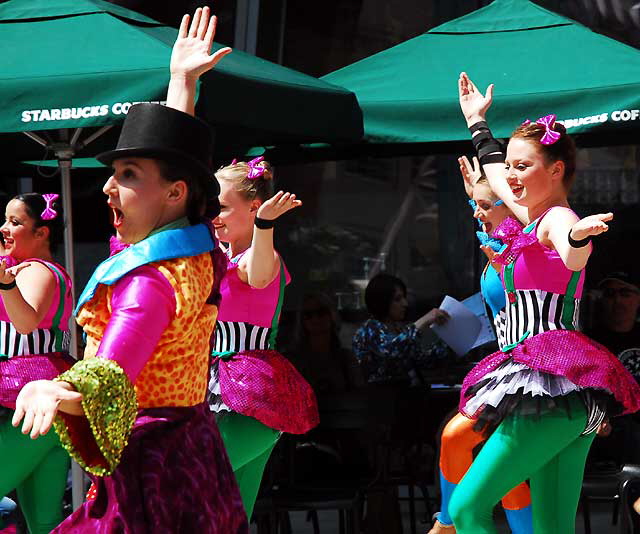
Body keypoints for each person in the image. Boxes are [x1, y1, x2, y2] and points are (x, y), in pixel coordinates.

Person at [12, 104, 248, 531]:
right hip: (193, 448)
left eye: (127, 174)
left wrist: (55, 387)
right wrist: (182, 85)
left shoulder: (149, 283)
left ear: (176, 192)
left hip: (151, 467)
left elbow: (110, 372)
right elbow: (171, 164)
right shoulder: (198, 252)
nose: (107, 187)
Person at [447, 72, 640, 534]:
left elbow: (572, 252)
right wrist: (478, 124)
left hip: (551, 389)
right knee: (553, 528)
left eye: (523, 166)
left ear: (555, 171)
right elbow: (493, 170)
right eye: (510, 166)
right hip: (554, 394)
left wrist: (578, 237)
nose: (510, 176)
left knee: (467, 510)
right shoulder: (528, 216)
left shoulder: (557, 217)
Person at [165, 7, 319, 519]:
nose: (211, 216)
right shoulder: (210, 253)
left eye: (221, 207)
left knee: (187, 498)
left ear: (254, 208)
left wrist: (267, 227)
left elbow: (256, 272)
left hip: (250, 398)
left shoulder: (263, 255)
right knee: (229, 517)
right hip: (210, 394)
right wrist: (182, 86)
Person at [430, 158, 532, 534]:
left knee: (462, 439)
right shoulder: (497, 245)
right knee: (490, 459)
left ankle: (446, 524)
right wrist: (479, 194)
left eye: (486, 206)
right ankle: (448, 523)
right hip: (508, 369)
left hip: (538, 372)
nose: (477, 213)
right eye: (475, 206)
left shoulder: (529, 244)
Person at [0, 193, 73, 534]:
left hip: (28, 402)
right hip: (41, 408)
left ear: (42, 232)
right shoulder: (17, 270)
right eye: (5, 220)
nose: (4, 228)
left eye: (16, 222)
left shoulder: (38, 270)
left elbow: (26, 323)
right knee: (45, 523)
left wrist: (5, 281)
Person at [352, 273, 449, 385]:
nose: (405, 304)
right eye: (397, 299)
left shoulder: (399, 330)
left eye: (404, 298)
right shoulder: (369, 331)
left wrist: (449, 342)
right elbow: (393, 350)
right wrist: (424, 320)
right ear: (383, 302)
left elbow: (423, 361)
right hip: (383, 397)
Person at [287, 292, 364, 395]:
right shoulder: (292, 362)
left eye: (321, 312)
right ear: (302, 321)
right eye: (308, 315)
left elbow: (359, 396)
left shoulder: (346, 359)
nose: (315, 319)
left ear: (332, 316)